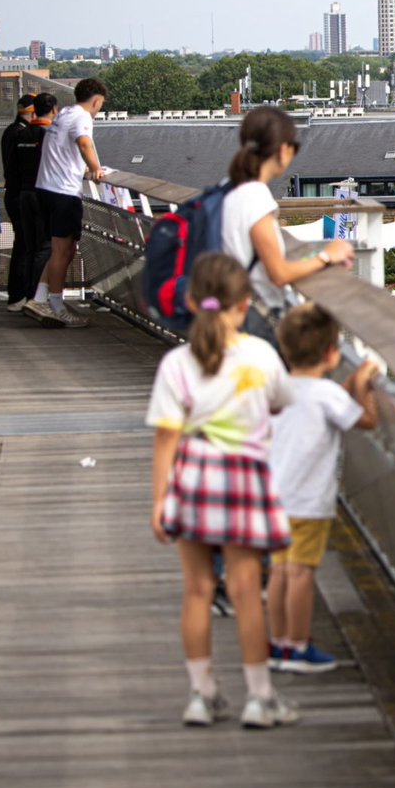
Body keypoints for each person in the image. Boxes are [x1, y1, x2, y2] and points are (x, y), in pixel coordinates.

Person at [147, 251, 298, 728]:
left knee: (196, 590)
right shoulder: (260, 355)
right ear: (244, 304)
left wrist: (159, 501)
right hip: (245, 478)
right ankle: (259, 698)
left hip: (192, 475)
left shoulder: (176, 363)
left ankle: (202, 694)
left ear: (191, 302)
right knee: (247, 591)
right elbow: (281, 404)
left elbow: (166, 436)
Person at [266, 304, 379, 674]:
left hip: (273, 501)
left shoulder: (279, 390)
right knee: (301, 574)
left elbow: (330, 401)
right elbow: (365, 420)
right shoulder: (326, 395)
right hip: (308, 504)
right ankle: (299, 646)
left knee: (280, 572)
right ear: (331, 353)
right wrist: (365, 384)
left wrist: (348, 388)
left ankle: (279, 645)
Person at [221, 106, 354, 344]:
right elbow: (278, 274)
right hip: (255, 320)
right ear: (283, 150)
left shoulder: (231, 192)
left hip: (234, 314)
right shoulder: (256, 198)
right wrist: (326, 256)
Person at [24, 78, 109, 328]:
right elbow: (83, 143)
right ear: (95, 100)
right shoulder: (82, 116)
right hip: (62, 192)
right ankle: (56, 306)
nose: (98, 109)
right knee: (63, 251)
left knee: (65, 249)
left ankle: (39, 298)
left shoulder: (64, 114)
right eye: (100, 104)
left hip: (46, 188)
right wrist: (96, 169)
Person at [1, 93, 52, 312]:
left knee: (23, 244)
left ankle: (19, 295)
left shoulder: (12, 132)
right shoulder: (25, 133)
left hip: (16, 192)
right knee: (28, 245)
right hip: (27, 192)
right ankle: (23, 295)